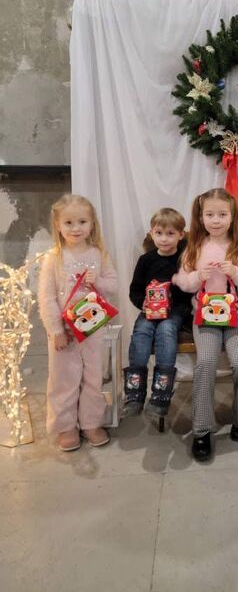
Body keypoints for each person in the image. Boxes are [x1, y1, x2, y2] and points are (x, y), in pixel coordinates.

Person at [174, 188, 238, 462]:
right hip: (205, 318)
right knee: (206, 363)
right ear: (200, 217)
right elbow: (182, 282)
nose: (216, 220)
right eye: (210, 214)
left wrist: (236, 272)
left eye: (222, 214)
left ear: (232, 217)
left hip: (237, 317)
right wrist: (199, 276)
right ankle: (201, 429)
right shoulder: (194, 248)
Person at [38, 194, 118, 452]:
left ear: (92, 223)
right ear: (58, 225)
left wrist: (98, 282)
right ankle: (66, 426)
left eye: (82, 222)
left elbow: (113, 286)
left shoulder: (99, 254)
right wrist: (55, 331)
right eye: (69, 222)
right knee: (64, 378)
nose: (76, 228)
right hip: (64, 332)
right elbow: (46, 298)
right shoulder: (53, 258)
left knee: (94, 376)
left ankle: (91, 422)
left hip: (93, 328)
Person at [123, 208, 191, 418]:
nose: (164, 239)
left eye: (170, 234)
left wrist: (173, 294)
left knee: (166, 330)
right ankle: (135, 393)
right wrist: (143, 303)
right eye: (159, 233)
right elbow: (135, 289)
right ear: (151, 233)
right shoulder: (146, 260)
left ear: (181, 235)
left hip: (176, 309)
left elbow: (192, 288)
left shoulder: (185, 258)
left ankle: (161, 395)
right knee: (142, 331)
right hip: (150, 309)